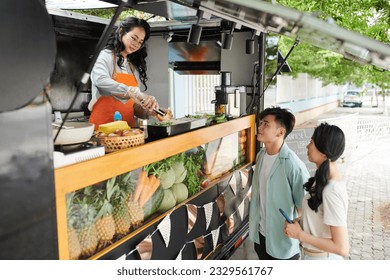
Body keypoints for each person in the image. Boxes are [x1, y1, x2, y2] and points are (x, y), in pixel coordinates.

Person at [248, 107, 310, 260]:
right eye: (261, 123)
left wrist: (295, 225)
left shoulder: (293, 166)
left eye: (266, 124)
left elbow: (306, 208)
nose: (260, 127)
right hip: (261, 237)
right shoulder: (261, 155)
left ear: (280, 132)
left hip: (283, 244)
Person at [88, 17, 170, 129]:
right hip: (103, 129)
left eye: (140, 42)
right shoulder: (104, 56)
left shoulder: (131, 67)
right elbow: (100, 80)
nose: (136, 44)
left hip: (128, 131)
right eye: (134, 38)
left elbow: (133, 106)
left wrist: (150, 112)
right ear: (121, 31)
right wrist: (132, 91)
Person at [284, 123, 349, 260]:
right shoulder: (322, 178)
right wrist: (301, 222)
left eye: (311, 142)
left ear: (323, 152)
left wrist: (299, 235)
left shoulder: (331, 190)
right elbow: (320, 217)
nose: (307, 146)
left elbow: (342, 248)